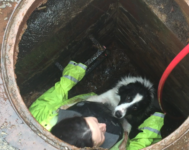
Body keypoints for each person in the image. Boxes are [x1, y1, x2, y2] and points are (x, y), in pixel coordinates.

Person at [29, 61, 164, 149]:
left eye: (93, 120)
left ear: (72, 119)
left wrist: (74, 72)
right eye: (101, 134)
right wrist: (155, 122)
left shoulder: (39, 117)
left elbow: (53, 95)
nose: (103, 125)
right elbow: (138, 146)